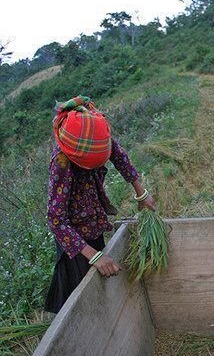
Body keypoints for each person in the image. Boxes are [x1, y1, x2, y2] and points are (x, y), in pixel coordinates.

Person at [44, 95, 156, 314]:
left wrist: (141, 194)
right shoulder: (62, 161)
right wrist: (93, 256)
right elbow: (56, 220)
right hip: (74, 241)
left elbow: (120, 158)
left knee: (101, 278)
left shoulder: (98, 136)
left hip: (93, 222)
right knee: (81, 291)